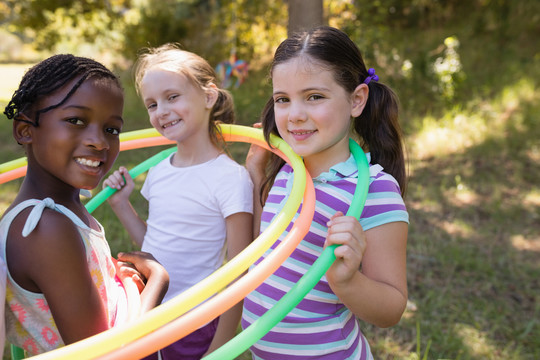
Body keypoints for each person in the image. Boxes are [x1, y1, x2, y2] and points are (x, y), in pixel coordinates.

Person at [241, 26, 409, 359]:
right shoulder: (287, 171)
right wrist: (255, 174)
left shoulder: (374, 189)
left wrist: (347, 281)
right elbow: (262, 250)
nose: (295, 115)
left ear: (356, 100)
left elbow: (391, 309)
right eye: (282, 100)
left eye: (314, 96)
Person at [0, 54, 169, 356]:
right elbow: (106, 353)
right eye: (76, 120)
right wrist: (157, 279)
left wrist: (122, 282)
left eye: (111, 129)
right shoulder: (45, 227)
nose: (99, 142)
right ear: (26, 129)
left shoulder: (61, 212)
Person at [103, 44, 253, 359]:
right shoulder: (159, 173)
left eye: (173, 97)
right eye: (152, 104)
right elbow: (154, 250)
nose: (162, 111)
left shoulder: (230, 178)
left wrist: (219, 350)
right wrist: (120, 204)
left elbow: (240, 273)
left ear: (209, 97)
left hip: (193, 321)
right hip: (145, 311)